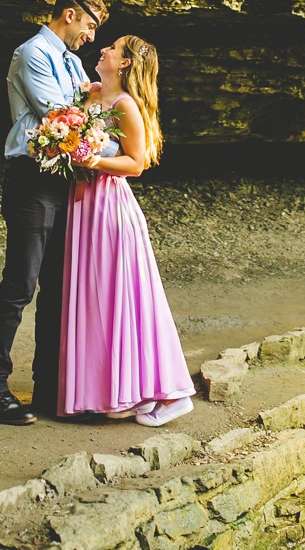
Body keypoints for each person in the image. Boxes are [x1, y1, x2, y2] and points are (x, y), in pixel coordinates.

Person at [0, 0, 109, 426]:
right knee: (20, 287)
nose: (90, 38)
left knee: (57, 289)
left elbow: (86, 118)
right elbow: (60, 115)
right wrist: (99, 116)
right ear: (69, 15)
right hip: (32, 180)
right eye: (89, 26)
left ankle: (50, 390)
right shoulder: (32, 53)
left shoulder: (71, 60)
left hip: (64, 180)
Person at [60, 35, 195, 426]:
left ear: (124, 64)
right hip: (83, 206)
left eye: (112, 49)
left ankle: (173, 392)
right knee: (94, 300)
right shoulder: (94, 94)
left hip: (109, 209)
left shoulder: (125, 106)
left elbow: (136, 164)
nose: (102, 49)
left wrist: (88, 159)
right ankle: (116, 391)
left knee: (126, 298)